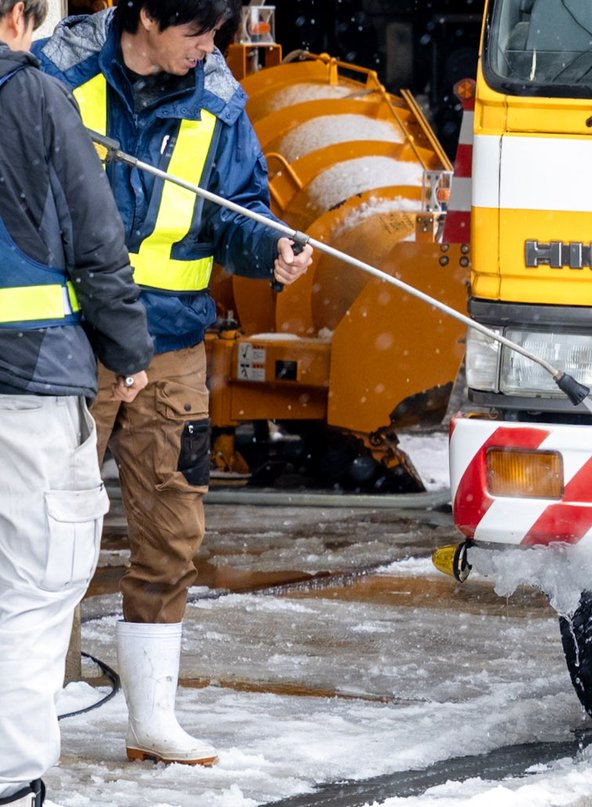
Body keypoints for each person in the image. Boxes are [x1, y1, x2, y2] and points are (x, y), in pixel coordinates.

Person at [34, 0, 313, 767]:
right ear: (148, 18)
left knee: (172, 533)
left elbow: (239, 210)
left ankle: (151, 719)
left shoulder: (219, 100)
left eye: (218, 32)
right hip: (71, 342)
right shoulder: (58, 78)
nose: (211, 48)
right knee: (46, 533)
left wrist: (271, 249)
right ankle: (36, 712)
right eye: (198, 32)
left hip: (173, 347)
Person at [0, 0, 154, 802]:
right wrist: (128, 350)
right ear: (19, 16)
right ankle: (10, 777)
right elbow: (98, 241)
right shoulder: (31, 96)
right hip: (25, 385)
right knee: (34, 583)